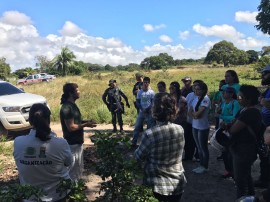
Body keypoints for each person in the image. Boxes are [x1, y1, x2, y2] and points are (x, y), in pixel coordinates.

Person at [14, 103, 73, 201]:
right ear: (49, 120)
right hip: (58, 195)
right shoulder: (61, 143)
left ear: (30, 121)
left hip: (30, 197)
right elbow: (69, 163)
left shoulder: (18, 142)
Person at [134, 93, 186, 202]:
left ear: (154, 111)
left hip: (157, 186)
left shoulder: (150, 134)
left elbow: (138, 157)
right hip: (177, 183)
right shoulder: (180, 129)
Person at [228, 85, 261, 199]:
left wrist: (229, 125)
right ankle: (251, 198)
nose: (238, 98)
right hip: (242, 148)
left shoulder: (250, 112)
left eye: (240, 97)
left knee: (240, 180)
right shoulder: (245, 109)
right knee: (246, 176)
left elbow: (233, 130)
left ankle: (242, 199)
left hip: (245, 149)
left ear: (249, 99)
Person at [60, 83, 96, 181]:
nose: (79, 92)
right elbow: (71, 127)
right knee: (73, 172)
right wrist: (86, 125)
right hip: (72, 144)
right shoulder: (67, 108)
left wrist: (86, 122)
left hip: (77, 143)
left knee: (78, 169)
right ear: (71, 93)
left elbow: (76, 122)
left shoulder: (72, 106)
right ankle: (72, 191)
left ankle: (76, 189)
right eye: (77, 90)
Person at [218, 86, 241, 179]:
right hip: (224, 129)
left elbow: (235, 117)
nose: (223, 94)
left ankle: (233, 172)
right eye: (223, 92)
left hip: (231, 129)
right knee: (224, 151)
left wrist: (222, 116)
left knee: (230, 152)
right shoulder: (223, 103)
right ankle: (228, 170)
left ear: (231, 94)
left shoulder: (235, 103)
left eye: (225, 92)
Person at [188, 81, 211, 173]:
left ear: (204, 90)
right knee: (198, 147)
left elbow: (198, 114)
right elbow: (189, 111)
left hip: (203, 127)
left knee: (203, 147)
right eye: (195, 89)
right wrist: (194, 115)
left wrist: (194, 115)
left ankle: (205, 166)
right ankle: (201, 165)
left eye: (198, 89)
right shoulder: (195, 98)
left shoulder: (205, 99)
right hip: (195, 126)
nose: (196, 91)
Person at [256, 64, 270, 188]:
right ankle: (264, 180)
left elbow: (265, 103)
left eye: (265, 73)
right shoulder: (268, 89)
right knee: (265, 156)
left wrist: (264, 102)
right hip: (265, 127)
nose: (263, 76)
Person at [132, 76, 155, 146]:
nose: (146, 84)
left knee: (150, 129)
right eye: (145, 82)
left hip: (149, 112)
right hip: (141, 112)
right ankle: (134, 142)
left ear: (149, 83)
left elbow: (153, 102)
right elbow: (138, 101)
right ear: (143, 83)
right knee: (137, 127)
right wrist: (142, 108)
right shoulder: (140, 92)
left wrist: (148, 109)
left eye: (147, 82)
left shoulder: (151, 92)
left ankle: (149, 143)